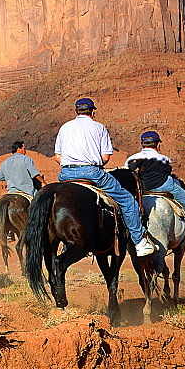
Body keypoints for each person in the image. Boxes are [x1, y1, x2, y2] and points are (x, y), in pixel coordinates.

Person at [54, 97, 155, 257]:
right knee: (127, 201)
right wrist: (91, 161)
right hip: (92, 173)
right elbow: (106, 158)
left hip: (65, 174)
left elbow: (57, 157)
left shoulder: (65, 128)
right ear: (92, 111)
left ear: (76, 111)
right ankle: (140, 242)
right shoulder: (99, 128)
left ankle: (67, 245)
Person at [125, 131, 185, 251]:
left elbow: (130, 171)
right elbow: (167, 171)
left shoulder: (134, 158)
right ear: (158, 145)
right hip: (164, 186)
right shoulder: (163, 158)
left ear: (142, 144)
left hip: (144, 189)